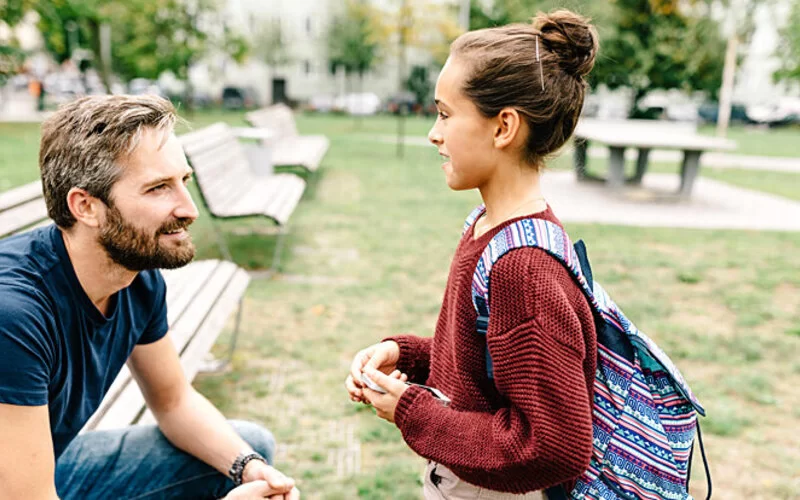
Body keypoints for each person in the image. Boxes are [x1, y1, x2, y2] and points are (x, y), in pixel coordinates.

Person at [346, 9, 600, 499]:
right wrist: (409, 356)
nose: (433, 133)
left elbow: (555, 445)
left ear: (504, 127)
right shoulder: (488, 227)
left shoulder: (523, 268)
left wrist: (410, 410)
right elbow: (483, 362)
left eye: (445, 114)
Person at [0, 95, 299, 500]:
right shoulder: (14, 316)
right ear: (86, 206)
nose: (189, 209)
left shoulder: (135, 276)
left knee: (250, 446)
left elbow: (173, 401)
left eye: (184, 181)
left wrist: (249, 469)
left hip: (47, 463)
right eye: (159, 188)